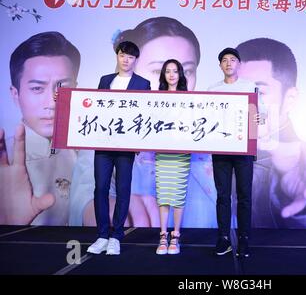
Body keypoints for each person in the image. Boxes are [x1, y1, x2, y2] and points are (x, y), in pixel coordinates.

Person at [70, 17, 217, 229]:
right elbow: (85, 190)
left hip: (203, 248)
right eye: (160, 71)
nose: (172, 78)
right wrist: (104, 210)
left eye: (185, 70)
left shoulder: (210, 128)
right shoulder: (111, 127)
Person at [236, 38, 306, 229]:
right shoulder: (207, 155)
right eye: (236, 91)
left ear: (290, 98)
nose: (244, 102)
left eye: (258, 92)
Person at [0, 31, 80, 225]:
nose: (51, 103)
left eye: (62, 88)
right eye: (37, 88)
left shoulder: (89, 154)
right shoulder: (5, 160)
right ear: (15, 94)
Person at [86, 41, 150, 255]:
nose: (126, 60)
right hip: (103, 144)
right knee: (101, 188)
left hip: (126, 146)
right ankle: (102, 234)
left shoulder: (143, 84)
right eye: (123, 55)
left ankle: (116, 235)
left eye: (130, 57)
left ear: (135, 60)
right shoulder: (105, 80)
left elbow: (146, 115)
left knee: (123, 189)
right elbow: (95, 107)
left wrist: (139, 143)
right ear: (117, 56)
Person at [208, 47, 257, 258]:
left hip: (243, 149)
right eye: (225, 60)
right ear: (220, 65)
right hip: (220, 148)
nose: (229, 63)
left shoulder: (249, 87)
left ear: (239, 64)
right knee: (222, 196)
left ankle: (244, 238)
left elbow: (256, 116)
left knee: (244, 195)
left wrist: (258, 121)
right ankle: (223, 238)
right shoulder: (212, 89)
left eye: (233, 60)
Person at [154, 59, 191, 255]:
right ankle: (162, 235)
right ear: (163, 75)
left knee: (177, 194)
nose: (171, 75)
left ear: (180, 74)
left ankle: (175, 236)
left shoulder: (189, 100)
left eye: (175, 71)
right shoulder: (156, 99)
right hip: (163, 153)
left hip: (182, 153)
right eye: (167, 71)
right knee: (163, 194)